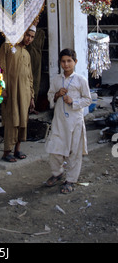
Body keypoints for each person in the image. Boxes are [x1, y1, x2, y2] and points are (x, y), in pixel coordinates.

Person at [45, 48, 91, 193]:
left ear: (75, 62)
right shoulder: (56, 79)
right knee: (54, 149)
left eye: (69, 61)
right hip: (59, 120)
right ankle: (57, 173)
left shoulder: (80, 80)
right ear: (60, 63)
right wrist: (57, 94)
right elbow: (50, 96)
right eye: (63, 61)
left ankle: (70, 179)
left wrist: (73, 102)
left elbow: (88, 99)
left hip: (74, 121)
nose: (66, 64)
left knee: (74, 151)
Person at [0, 26, 36, 162]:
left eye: (32, 37)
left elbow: (30, 77)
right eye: (28, 35)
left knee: (22, 121)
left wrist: (31, 96)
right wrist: (1, 88)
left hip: (25, 93)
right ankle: (6, 151)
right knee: (11, 119)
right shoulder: (7, 46)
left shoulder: (27, 54)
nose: (29, 39)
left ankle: (17, 149)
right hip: (11, 91)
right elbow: (0, 68)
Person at [26, 16, 45, 104]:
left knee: (36, 80)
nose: (35, 21)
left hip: (37, 59)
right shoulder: (24, 33)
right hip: (26, 58)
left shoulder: (40, 33)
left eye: (37, 19)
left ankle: (34, 103)